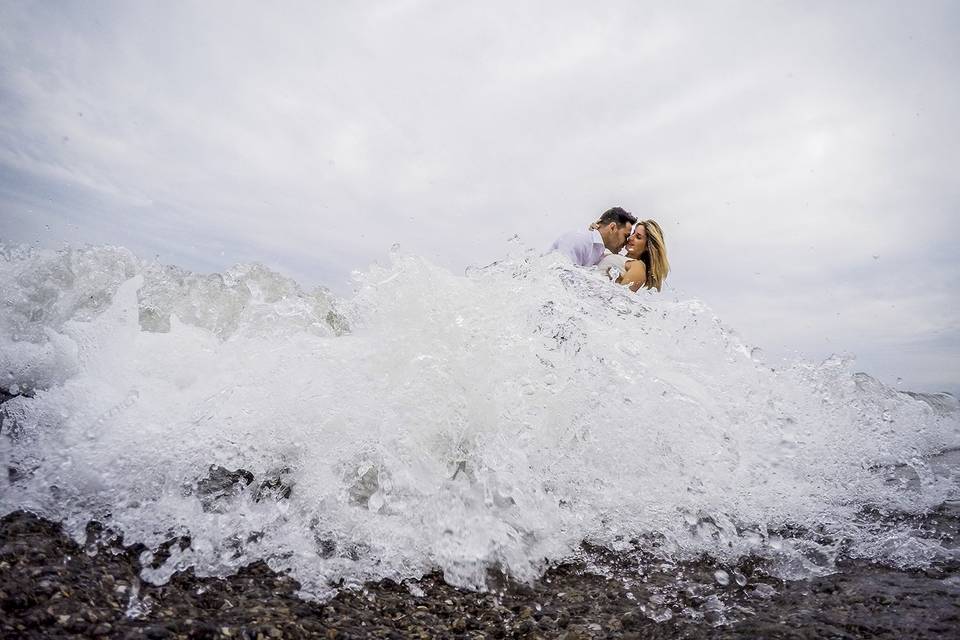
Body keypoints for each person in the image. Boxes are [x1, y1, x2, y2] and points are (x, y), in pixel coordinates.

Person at [547, 207, 637, 267]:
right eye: (626, 236)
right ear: (612, 228)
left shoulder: (599, 251)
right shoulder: (580, 239)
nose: (626, 242)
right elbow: (558, 273)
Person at [596, 219, 670, 292]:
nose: (630, 238)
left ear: (648, 246)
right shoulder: (620, 258)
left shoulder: (638, 267)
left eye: (638, 237)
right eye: (633, 233)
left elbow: (620, 297)